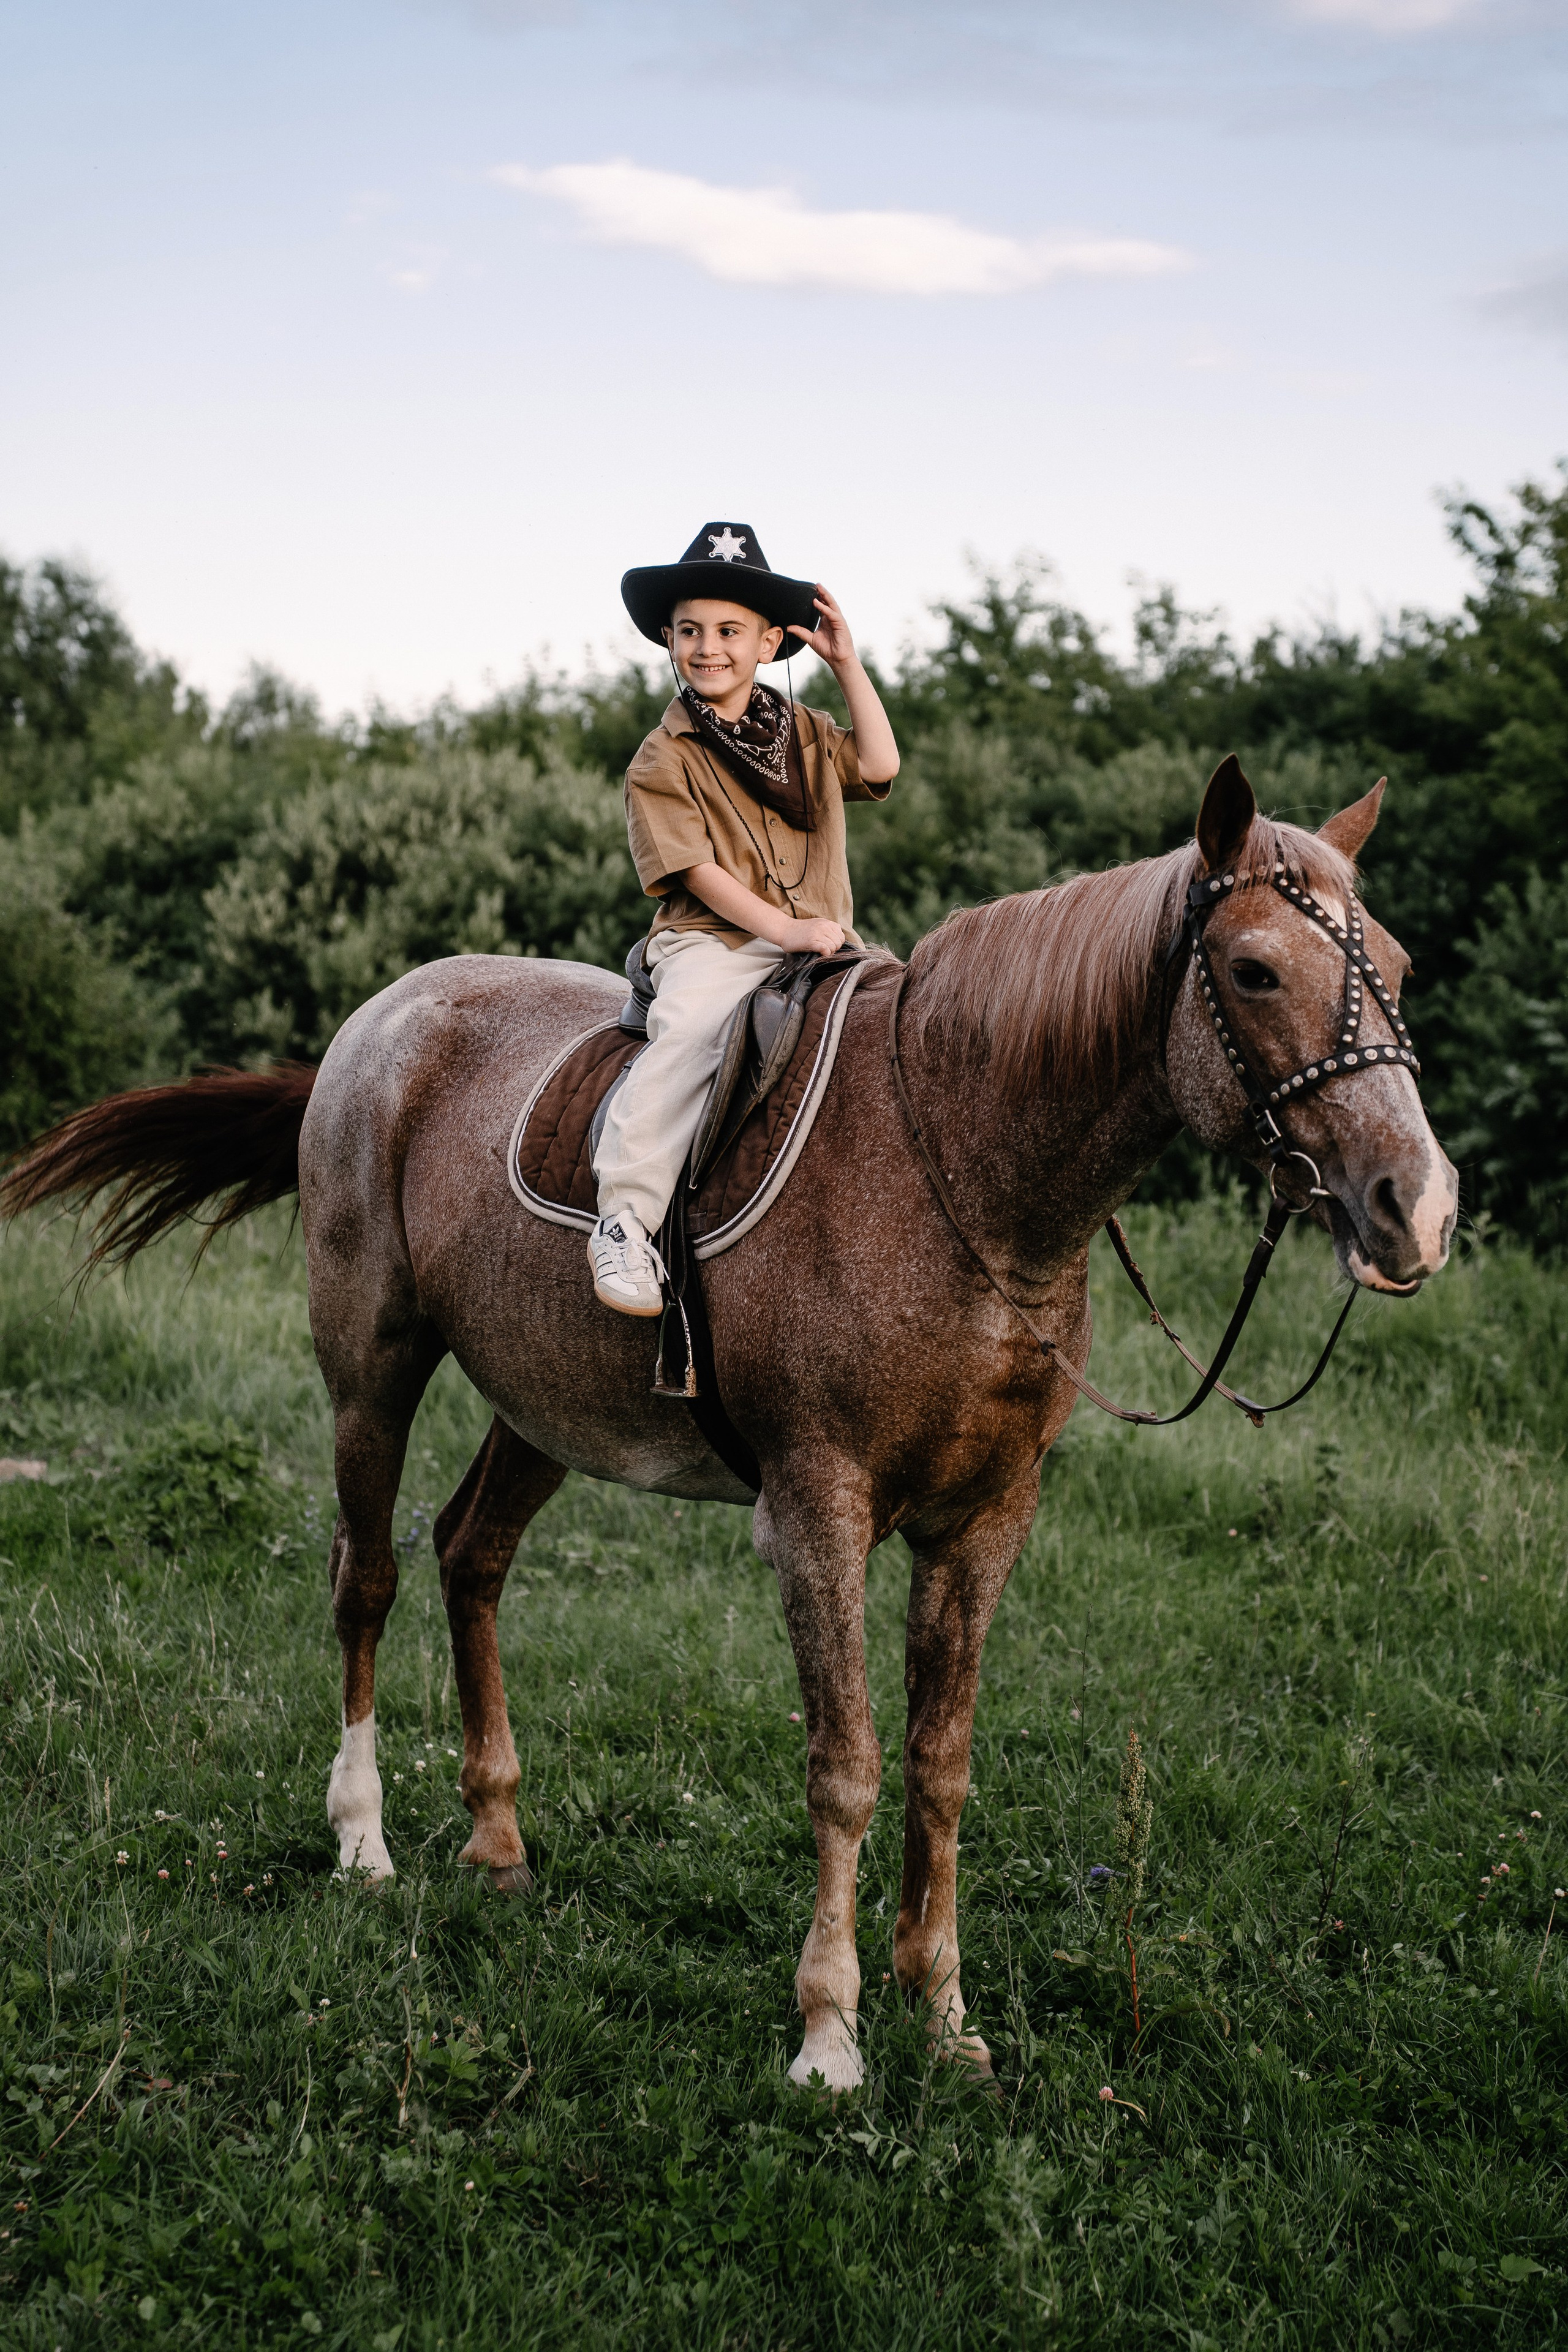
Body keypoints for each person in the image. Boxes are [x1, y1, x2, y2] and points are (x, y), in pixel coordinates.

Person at [587, 519, 899, 1316]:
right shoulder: (665, 757)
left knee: (902, 1030)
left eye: (730, 630)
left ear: (768, 644)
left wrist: (847, 665)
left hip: (825, 940)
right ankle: (624, 1220)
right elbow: (695, 871)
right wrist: (785, 931)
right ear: (668, 638)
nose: (708, 645)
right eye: (690, 629)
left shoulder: (802, 734)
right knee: (691, 1032)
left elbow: (879, 765)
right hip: (713, 943)